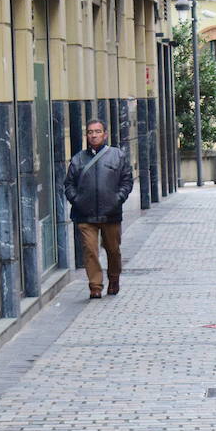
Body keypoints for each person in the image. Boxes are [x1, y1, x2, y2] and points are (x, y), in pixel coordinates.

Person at [64, 119, 135, 299]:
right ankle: (95, 285)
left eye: (97, 131)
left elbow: (127, 181)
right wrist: (77, 200)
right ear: (86, 135)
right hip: (85, 215)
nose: (93, 135)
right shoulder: (78, 158)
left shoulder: (117, 156)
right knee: (90, 250)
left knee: (113, 250)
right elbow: (69, 184)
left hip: (110, 213)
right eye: (90, 132)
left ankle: (114, 278)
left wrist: (117, 199)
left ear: (105, 134)